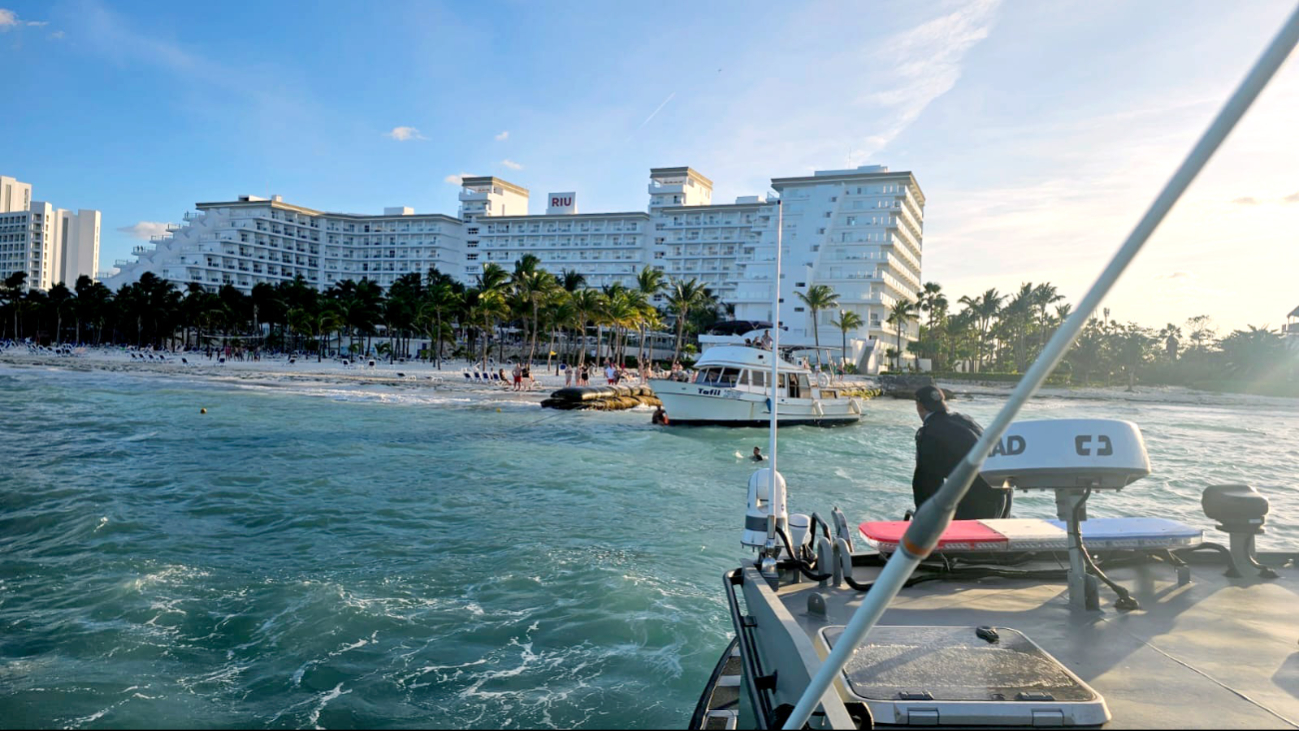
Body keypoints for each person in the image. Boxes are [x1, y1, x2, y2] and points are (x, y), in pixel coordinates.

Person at [911, 386, 1011, 520]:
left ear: (920, 406)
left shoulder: (929, 433)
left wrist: (923, 517)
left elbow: (926, 482)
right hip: (1003, 495)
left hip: (977, 504)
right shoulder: (965, 420)